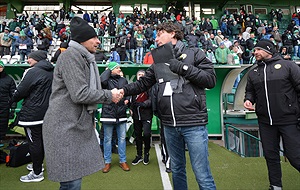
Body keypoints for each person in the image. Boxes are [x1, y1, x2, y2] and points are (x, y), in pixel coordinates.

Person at [120, 22, 216, 190]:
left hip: (193, 124)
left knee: (202, 174)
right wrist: (122, 90)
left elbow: (210, 80)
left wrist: (183, 67)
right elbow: (142, 84)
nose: (156, 39)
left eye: (160, 34)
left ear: (172, 33)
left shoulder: (194, 53)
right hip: (169, 125)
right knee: (177, 169)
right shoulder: (158, 61)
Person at [42, 17, 122, 189]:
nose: (98, 41)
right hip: (64, 127)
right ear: (82, 39)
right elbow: (80, 94)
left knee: (73, 180)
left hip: (72, 125)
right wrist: (110, 95)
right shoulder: (71, 57)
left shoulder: (83, 57)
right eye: (94, 38)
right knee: (71, 183)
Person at [244, 39, 300, 190]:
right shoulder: (253, 72)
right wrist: (248, 100)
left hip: (289, 120)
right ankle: (275, 186)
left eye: (258, 50)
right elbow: (250, 91)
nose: (255, 52)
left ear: (268, 50)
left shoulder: (288, 66)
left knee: (295, 156)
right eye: (254, 50)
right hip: (265, 122)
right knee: (270, 155)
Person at [10, 50, 53, 182]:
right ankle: (37, 165)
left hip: (33, 114)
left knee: (34, 142)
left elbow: (21, 91)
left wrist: (11, 100)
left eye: (30, 58)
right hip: (46, 112)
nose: (28, 60)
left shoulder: (33, 71)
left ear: (37, 59)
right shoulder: (51, 71)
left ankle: (37, 173)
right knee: (40, 141)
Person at [100, 62, 130, 173]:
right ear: (111, 69)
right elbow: (102, 81)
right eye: (117, 67)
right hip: (108, 114)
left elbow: (127, 92)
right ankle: (107, 162)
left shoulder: (123, 80)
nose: (119, 69)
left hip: (121, 113)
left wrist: (127, 100)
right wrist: (108, 69)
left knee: (122, 139)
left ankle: (123, 161)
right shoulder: (106, 80)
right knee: (107, 139)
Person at [130, 70, 153, 165]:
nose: (141, 76)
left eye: (142, 75)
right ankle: (139, 155)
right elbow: (130, 99)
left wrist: (143, 104)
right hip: (136, 115)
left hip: (146, 114)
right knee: (138, 135)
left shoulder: (149, 87)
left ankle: (146, 153)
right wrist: (130, 108)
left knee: (147, 134)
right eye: (139, 74)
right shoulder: (134, 87)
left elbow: (152, 99)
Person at [0, 61, 16, 145]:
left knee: (2, 124)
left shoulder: (9, 80)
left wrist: (13, 109)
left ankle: (1, 140)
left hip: (4, 106)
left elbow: (13, 95)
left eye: (0, 67)